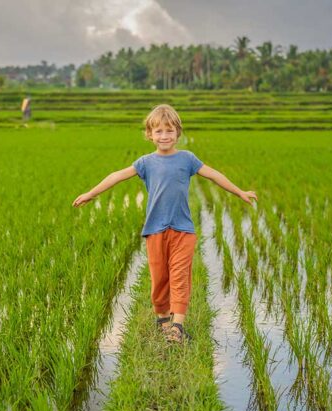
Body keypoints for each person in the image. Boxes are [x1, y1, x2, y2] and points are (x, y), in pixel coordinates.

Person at [72, 104, 257, 343]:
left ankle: (177, 326)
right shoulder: (145, 163)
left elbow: (213, 174)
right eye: (158, 131)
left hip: (183, 230)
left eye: (169, 131)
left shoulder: (187, 159)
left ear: (178, 133)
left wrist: (239, 191)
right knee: (159, 278)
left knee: (180, 276)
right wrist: (91, 193)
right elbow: (116, 176)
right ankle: (162, 318)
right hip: (155, 230)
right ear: (150, 135)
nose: (164, 136)